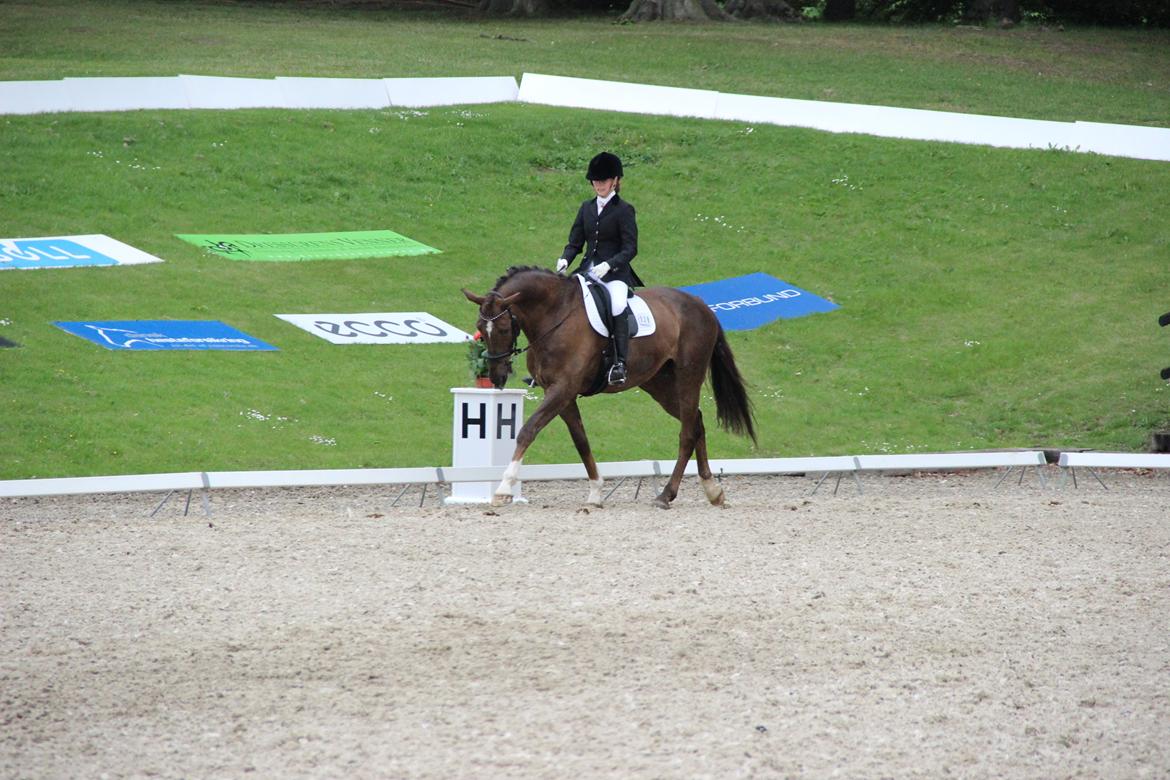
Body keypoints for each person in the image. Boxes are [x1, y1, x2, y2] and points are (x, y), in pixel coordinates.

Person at [555, 151, 644, 386]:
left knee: (616, 304)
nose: (599, 186)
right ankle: (555, 362)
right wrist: (565, 259)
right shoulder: (586, 208)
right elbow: (575, 242)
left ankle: (620, 363)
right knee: (564, 300)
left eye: (603, 181)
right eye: (595, 181)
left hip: (615, 274)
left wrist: (610, 264)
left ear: (614, 181)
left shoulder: (624, 210)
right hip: (587, 271)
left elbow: (630, 248)